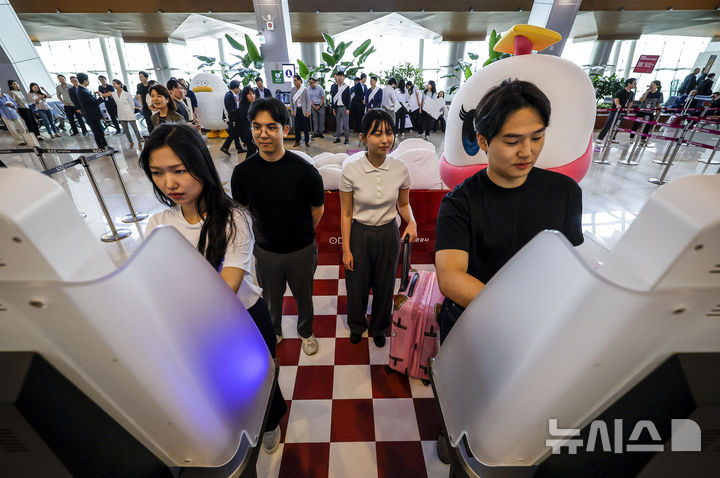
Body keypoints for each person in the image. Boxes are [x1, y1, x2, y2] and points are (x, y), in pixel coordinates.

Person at [433, 78, 584, 465]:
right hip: (473, 324)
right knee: (462, 397)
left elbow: (570, 260)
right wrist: (517, 314)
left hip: (540, 327)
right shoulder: (460, 204)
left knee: (516, 407)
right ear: (483, 141)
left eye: (537, 137)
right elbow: (451, 277)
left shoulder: (565, 192)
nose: (527, 151)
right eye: (512, 140)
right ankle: (452, 434)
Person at [139, 123, 287, 455]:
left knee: (261, 378)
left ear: (201, 164)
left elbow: (228, 285)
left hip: (243, 316)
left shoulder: (235, 218)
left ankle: (270, 422)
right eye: (158, 173)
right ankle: (237, 423)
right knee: (221, 385)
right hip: (192, 322)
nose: (169, 183)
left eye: (178, 170)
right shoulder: (159, 223)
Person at [230, 98, 324, 356]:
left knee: (304, 297)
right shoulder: (243, 173)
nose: (263, 134)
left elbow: (317, 211)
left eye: (271, 127)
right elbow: (242, 213)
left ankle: (306, 331)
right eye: (257, 127)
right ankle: (275, 330)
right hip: (265, 251)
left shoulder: (305, 172)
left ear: (285, 129)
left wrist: (299, 233)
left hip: (301, 250)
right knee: (271, 299)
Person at [340, 109, 417, 347]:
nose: (385, 139)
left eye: (390, 132)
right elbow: (346, 213)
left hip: (388, 233)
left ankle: (380, 326)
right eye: (377, 134)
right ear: (363, 137)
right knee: (357, 284)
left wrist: (411, 221)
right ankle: (357, 324)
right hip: (360, 233)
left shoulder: (400, 168)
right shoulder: (351, 168)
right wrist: (346, 250)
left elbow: (403, 204)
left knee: (385, 284)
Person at [596, 77, 636, 144]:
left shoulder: (632, 93)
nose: (635, 85)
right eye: (634, 83)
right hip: (615, 111)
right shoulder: (621, 91)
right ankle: (599, 138)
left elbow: (630, 102)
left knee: (618, 125)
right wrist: (618, 105)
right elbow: (616, 99)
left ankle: (612, 138)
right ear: (629, 83)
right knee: (608, 124)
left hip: (623, 112)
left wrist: (628, 110)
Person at [107, 79, 143, 149]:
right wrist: (100, 94)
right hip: (121, 113)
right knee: (126, 130)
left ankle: (139, 142)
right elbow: (106, 94)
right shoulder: (114, 94)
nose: (113, 85)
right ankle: (131, 142)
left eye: (115, 83)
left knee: (135, 129)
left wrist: (131, 112)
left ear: (119, 84)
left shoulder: (127, 94)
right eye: (113, 84)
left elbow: (132, 105)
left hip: (129, 113)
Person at [75, 73, 108, 149]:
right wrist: (101, 97)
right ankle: (102, 148)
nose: (88, 82)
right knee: (97, 132)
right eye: (87, 80)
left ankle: (105, 146)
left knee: (100, 131)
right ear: (85, 81)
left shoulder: (81, 89)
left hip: (92, 114)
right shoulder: (82, 91)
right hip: (91, 115)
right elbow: (93, 103)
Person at [630, 80, 663, 145]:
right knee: (636, 124)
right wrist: (647, 92)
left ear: (657, 86)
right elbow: (641, 100)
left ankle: (643, 139)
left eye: (653, 84)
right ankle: (632, 137)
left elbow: (658, 104)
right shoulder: (647, 93)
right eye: (651, 84)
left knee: (647, 126)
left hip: (650, 112)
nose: (651, 85)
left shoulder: (659, 94)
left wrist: (657, 112)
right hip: (641, 110)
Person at [221, 80, 244, 155]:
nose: (239, 89)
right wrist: (238, 109)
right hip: (231, 118)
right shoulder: (229, 95)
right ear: (235, 87)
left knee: (235, 133)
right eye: (238, 87)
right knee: (233, 133)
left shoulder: (231, 94)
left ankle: (239, 149)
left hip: (233, 118)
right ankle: (224, 147)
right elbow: (230, 109)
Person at [290, 74, 311, 147]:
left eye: (295, 80)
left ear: (299, 80)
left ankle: (307, 141)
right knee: (297, 127)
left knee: (306, 127)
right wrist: (292, 110)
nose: (294, 82)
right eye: (293, 81)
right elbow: (291, 101)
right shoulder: (293, 90)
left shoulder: (305, 89)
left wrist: (308, 110)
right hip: (296, 111)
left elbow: (308, 101)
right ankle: (297, 141)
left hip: (304, 110)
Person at [330, 71, 351, 145]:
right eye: (338, 76)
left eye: (340, 76)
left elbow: (349, 99)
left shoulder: (347, 87)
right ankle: (338, 138)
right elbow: (333, 99)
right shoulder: (334, 87)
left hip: (344, 108)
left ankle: (346, 139)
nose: (339, 78)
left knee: (345, 125)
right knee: (338, 124)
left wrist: (348, 108)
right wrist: (333, 108)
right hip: (337, 108)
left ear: (343, 77)